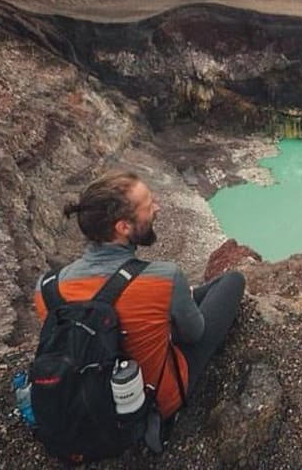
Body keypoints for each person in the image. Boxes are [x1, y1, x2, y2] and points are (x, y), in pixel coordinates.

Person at [34, 170, 245, 421]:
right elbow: (194, 334)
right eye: (148, 205)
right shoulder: (163, 278)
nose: (158, 208)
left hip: (82, 402)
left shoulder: (46, 288)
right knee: (232, 281)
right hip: (152, 404)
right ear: (123, 227)